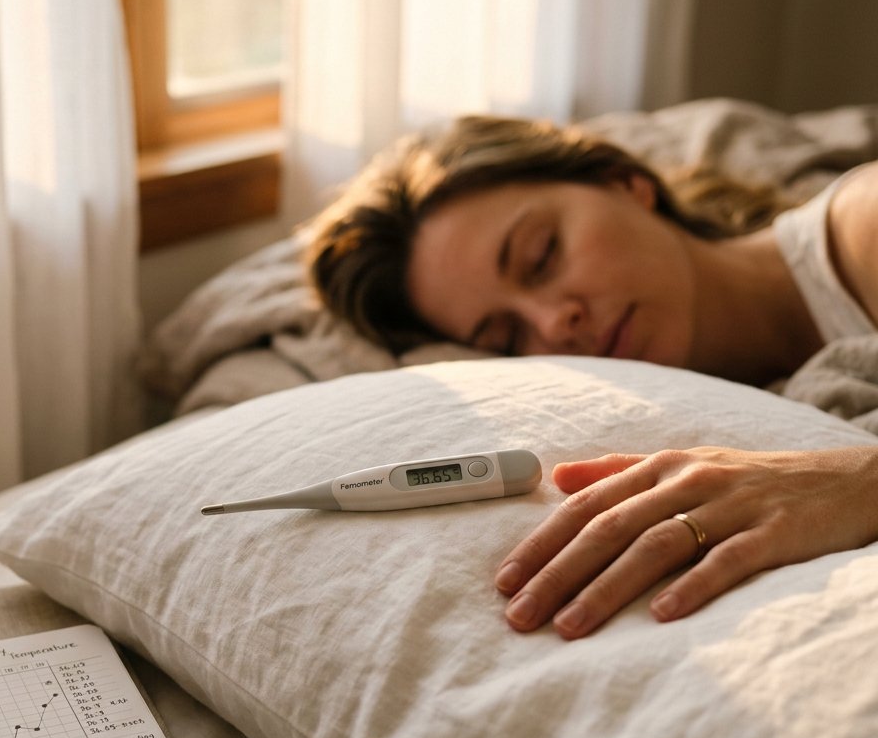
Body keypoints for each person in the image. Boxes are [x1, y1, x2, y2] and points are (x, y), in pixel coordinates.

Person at [304, 114, 878, 640]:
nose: (554, 323)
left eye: (542, 255)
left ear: (625, 184)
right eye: (506, 338)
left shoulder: (864, 227)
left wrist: (849, 483)